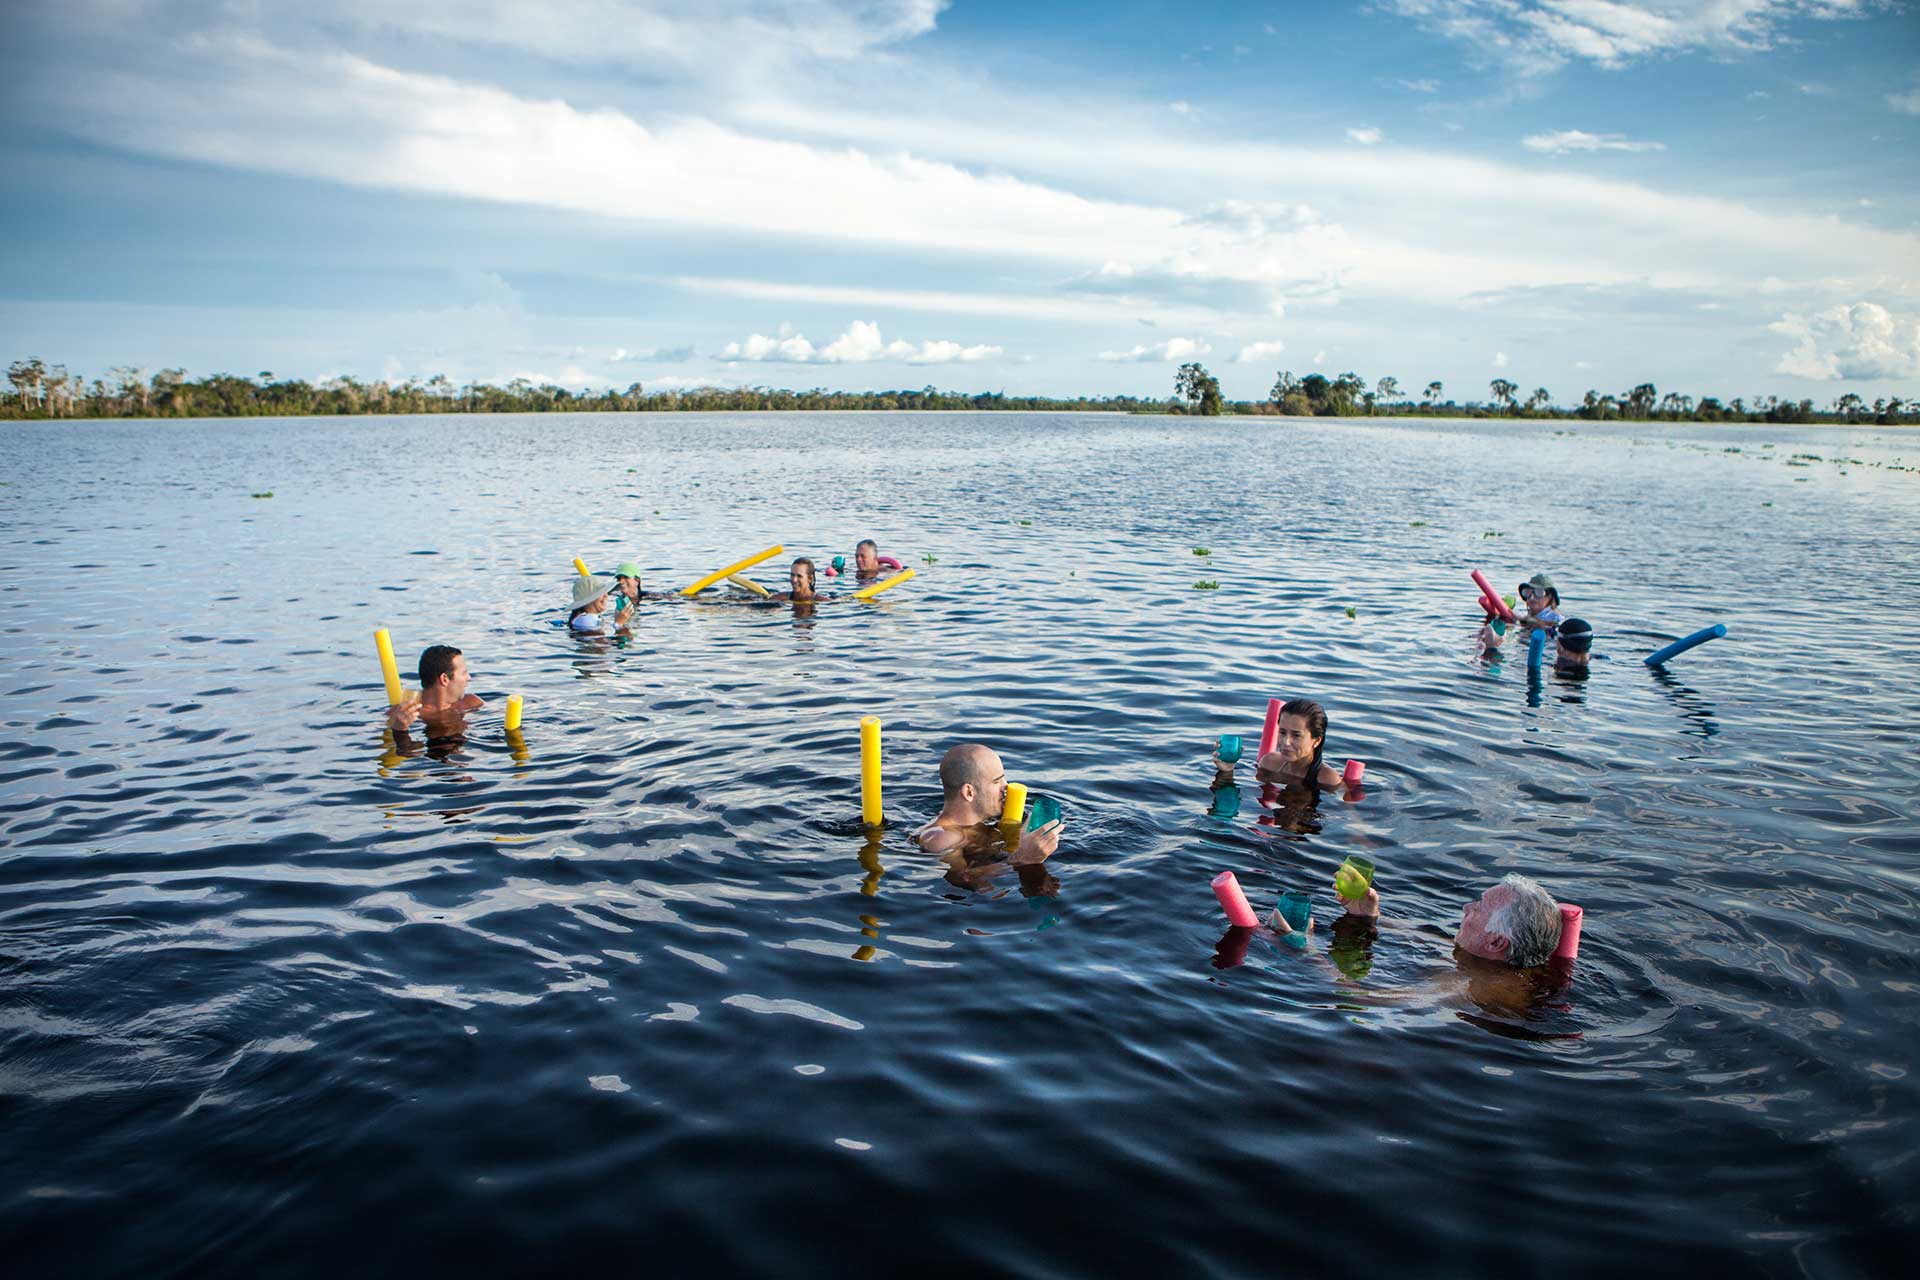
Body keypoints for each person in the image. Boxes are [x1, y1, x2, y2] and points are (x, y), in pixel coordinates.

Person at [915, 743, 1061, 863]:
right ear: (969, 792)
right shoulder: (942, 838)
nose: (1007, 787)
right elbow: (970, 884)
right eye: (997, 781)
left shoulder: (981, 825)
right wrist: (1024, 856)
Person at [1214, 700, 1345, 790]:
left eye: (1296, 735)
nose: (1285, 742)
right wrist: (1227, 771)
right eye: (1282, 732)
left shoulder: (1328, 779)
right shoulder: (1269, 763)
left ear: (1316, 740)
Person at [386, 643, 484, 734]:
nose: (469, 677)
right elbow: (383, 743)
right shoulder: (400, 715)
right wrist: (399, 729)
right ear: (444, 679)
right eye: (463, 673)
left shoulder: (472, 703)